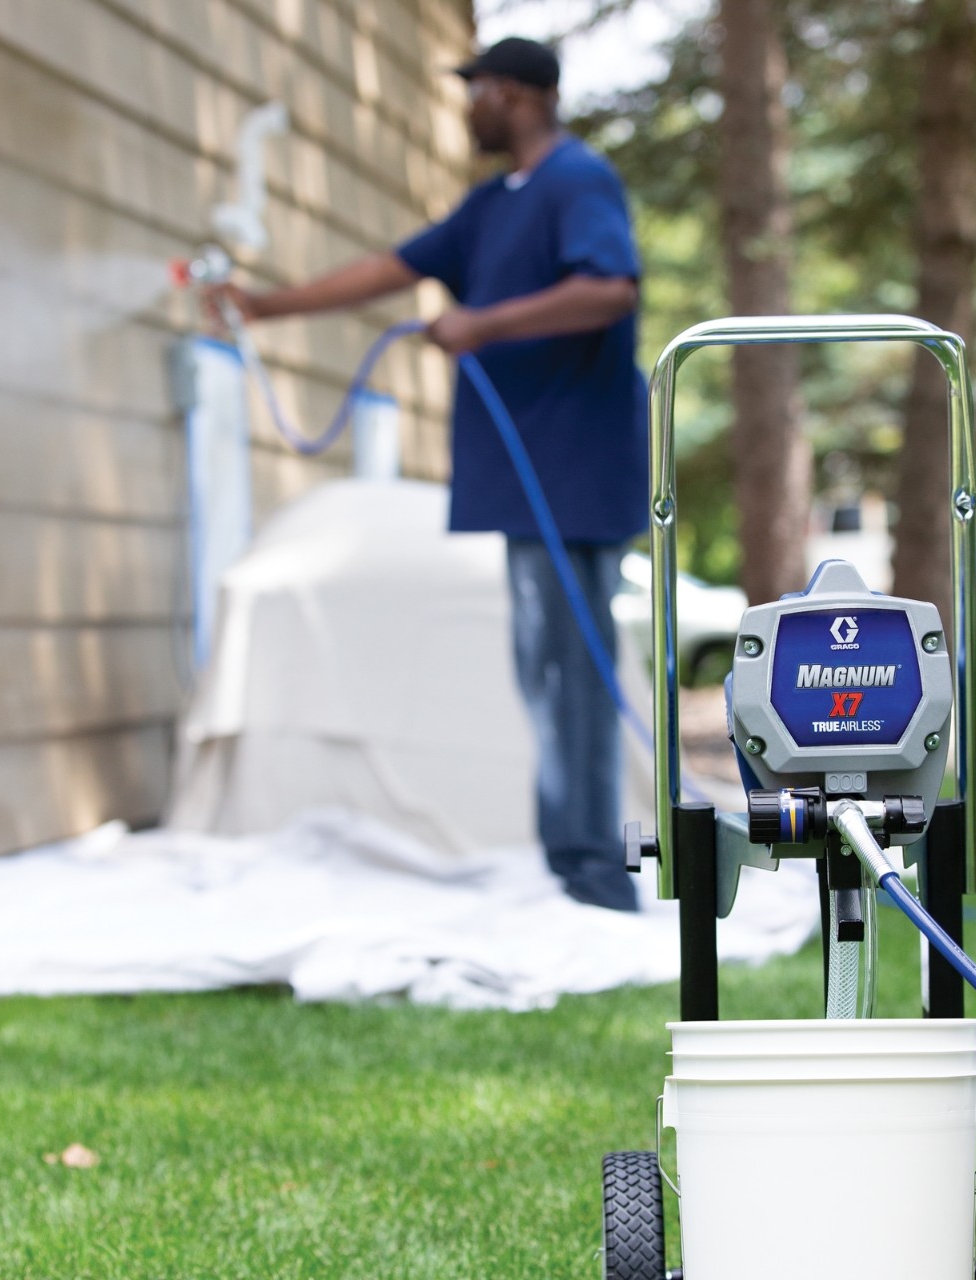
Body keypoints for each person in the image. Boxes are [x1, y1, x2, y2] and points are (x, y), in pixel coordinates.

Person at [211, 37, 648, 912]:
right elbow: (388, 269)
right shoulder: (492, 206)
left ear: (521, 95)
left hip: (571, 467)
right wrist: (264, 307)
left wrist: (484, 324)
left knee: (570, 673)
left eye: (478, 90)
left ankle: (597, 878)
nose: (467, 107)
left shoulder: (577, 181)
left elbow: (612, 289)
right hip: (529, 481)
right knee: (543, 673)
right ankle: (574, 865)